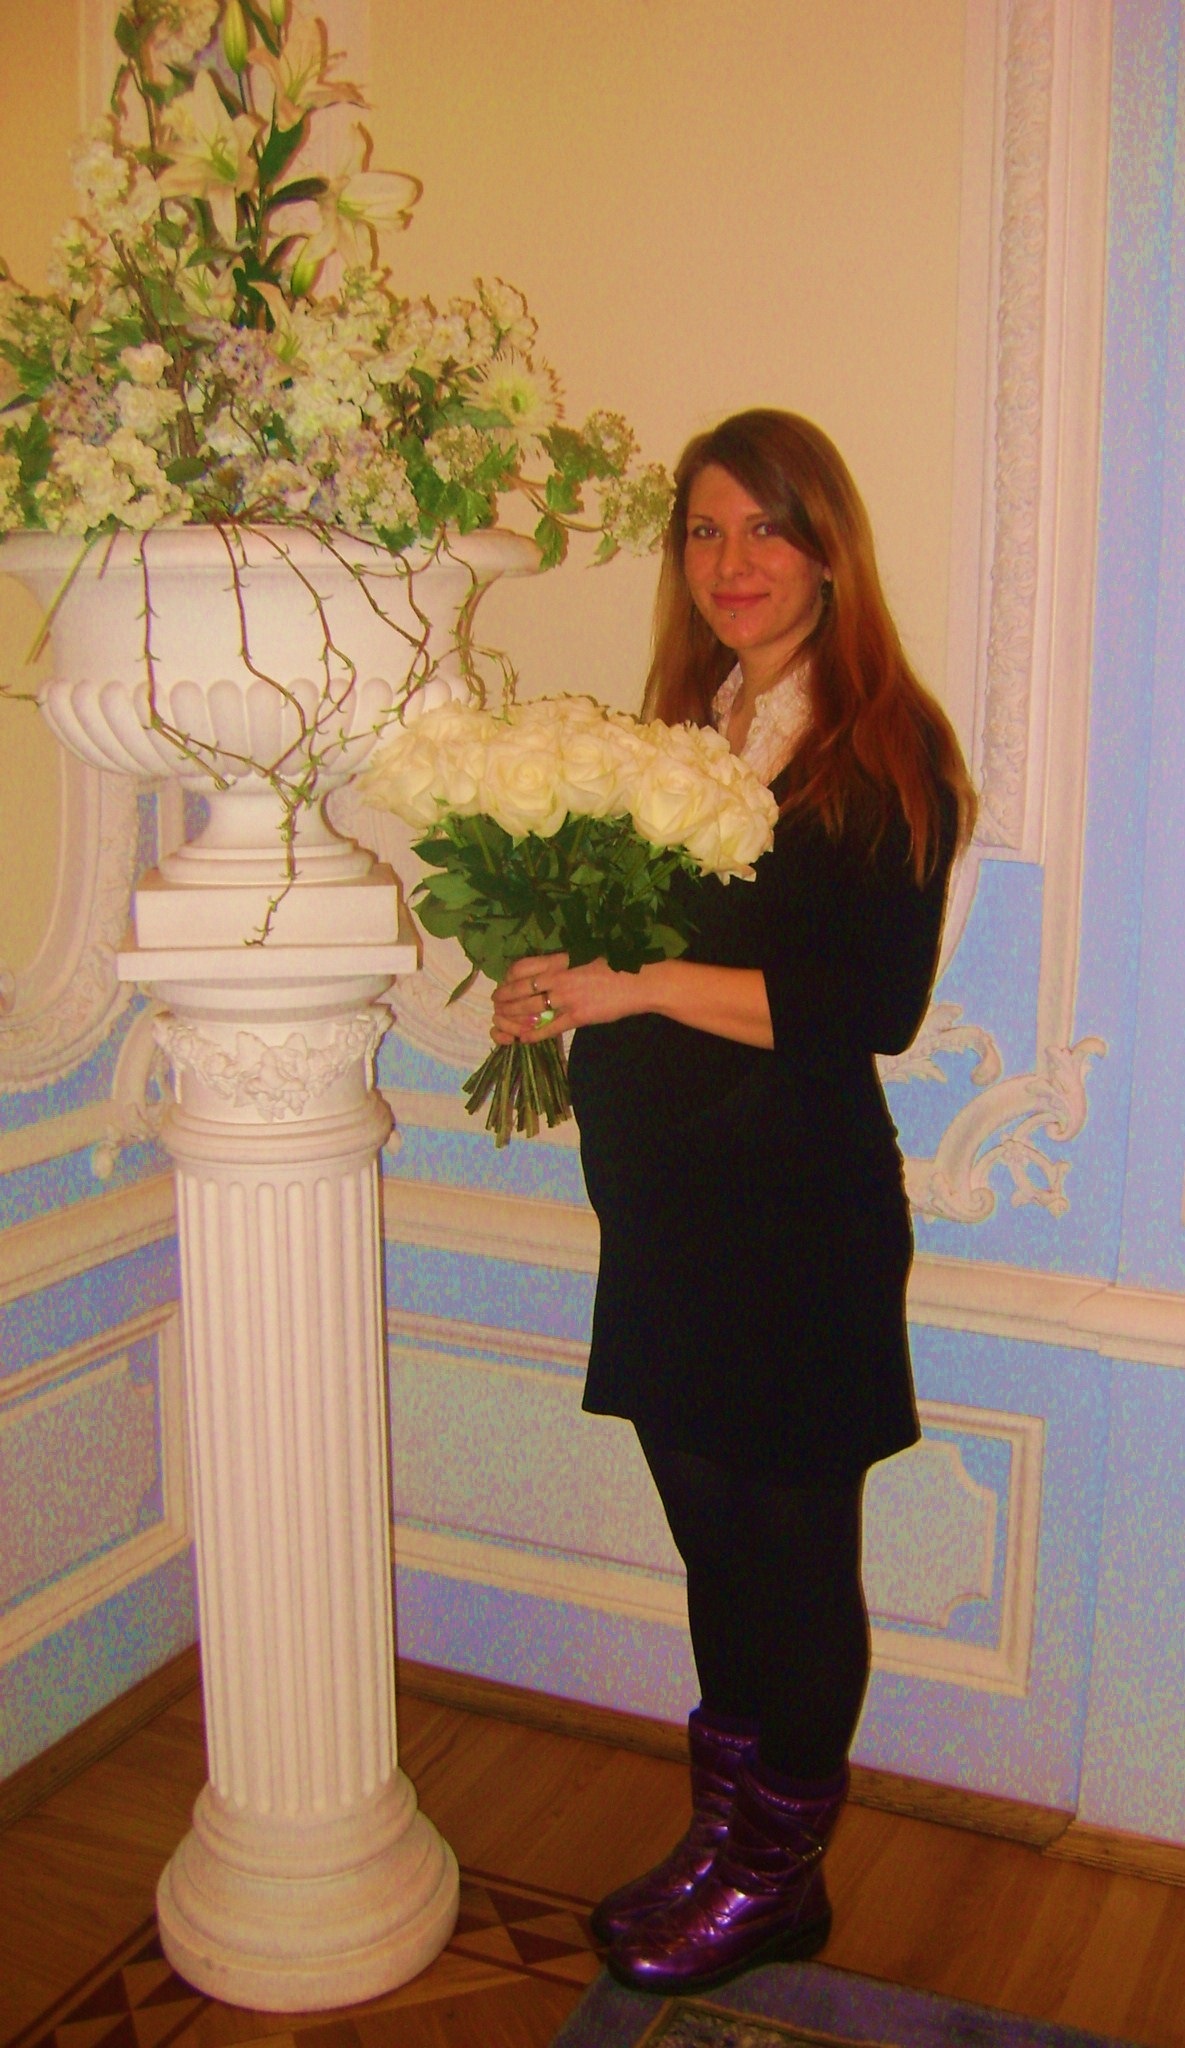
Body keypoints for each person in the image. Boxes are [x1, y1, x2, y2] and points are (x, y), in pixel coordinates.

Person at [491, 408, 976, 1995]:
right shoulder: (674, 736)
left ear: (827, 549)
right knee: (713, 1543)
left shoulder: (883, 748)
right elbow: (636, 957)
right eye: (703, 531)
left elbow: (865, 1007)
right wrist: (555, 980)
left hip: (792, 1218)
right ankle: (724, 1840)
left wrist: (636, 984)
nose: (731, 560)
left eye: (764, 526)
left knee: (790, 1551)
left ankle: (777, 1876)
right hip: (666, 1212)